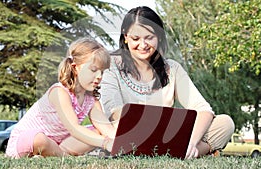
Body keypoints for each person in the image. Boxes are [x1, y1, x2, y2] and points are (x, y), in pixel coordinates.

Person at [100, 6, 235, 159]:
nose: (143, 45)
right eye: (136, 39)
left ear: (158, 36)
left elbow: (203, 109)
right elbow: (112, 111)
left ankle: (185, 151)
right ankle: (183, 153)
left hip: (167, 136)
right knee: (94, 132)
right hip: (125, 133)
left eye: (149, 37)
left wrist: (191, 141)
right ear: (125, 37)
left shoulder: (172, 68)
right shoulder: (110, 65)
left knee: (225, 124)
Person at [6, 37, 116, 158]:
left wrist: (122, 140)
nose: (99, 76)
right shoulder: (59, 92)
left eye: (102, 72)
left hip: (61, 144)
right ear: (75, 68)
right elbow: (74, 128)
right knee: (39, 139)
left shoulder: (91, 99)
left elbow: (106, 127)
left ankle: (54, 155)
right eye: (94, 70)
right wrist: (105, 143)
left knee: (100, 130)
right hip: (29, 142)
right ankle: (64, 157)